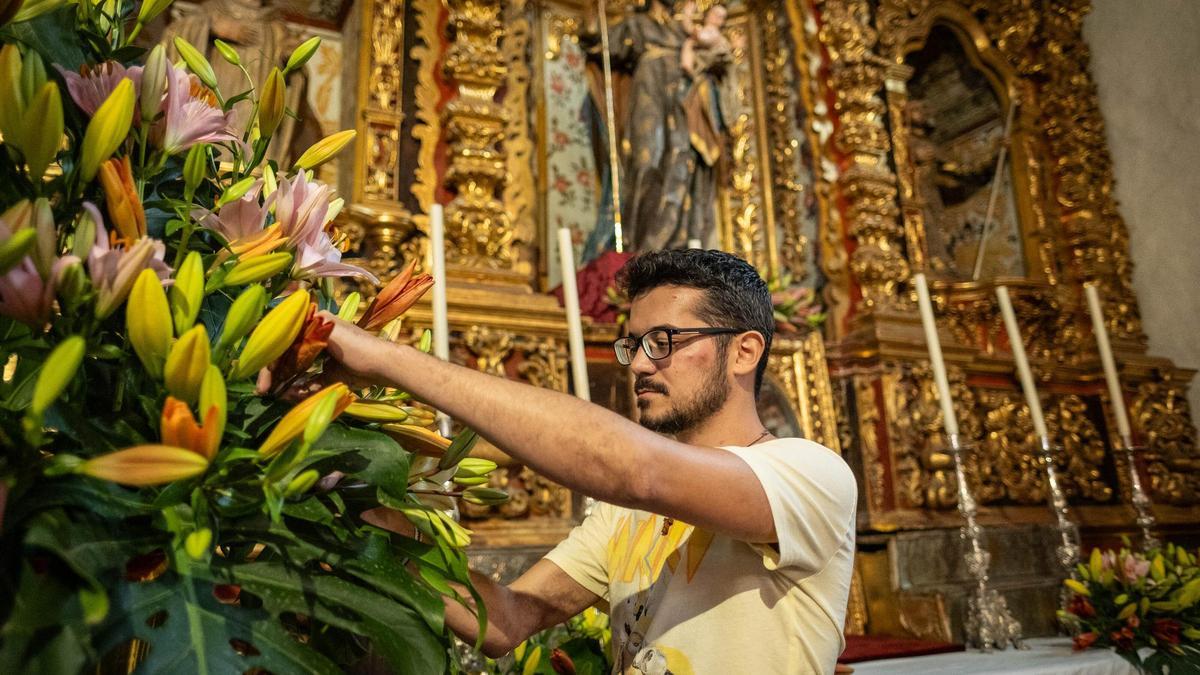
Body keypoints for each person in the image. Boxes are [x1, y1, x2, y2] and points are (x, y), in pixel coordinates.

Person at [319, 249, 857, 674]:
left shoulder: (809, 473)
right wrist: (374, 520)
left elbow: (636, 469)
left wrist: (387, 360)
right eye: (634, 344)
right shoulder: (623, 514)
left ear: (744, 351)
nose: (641, 364)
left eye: (665, 341)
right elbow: (506, 621)